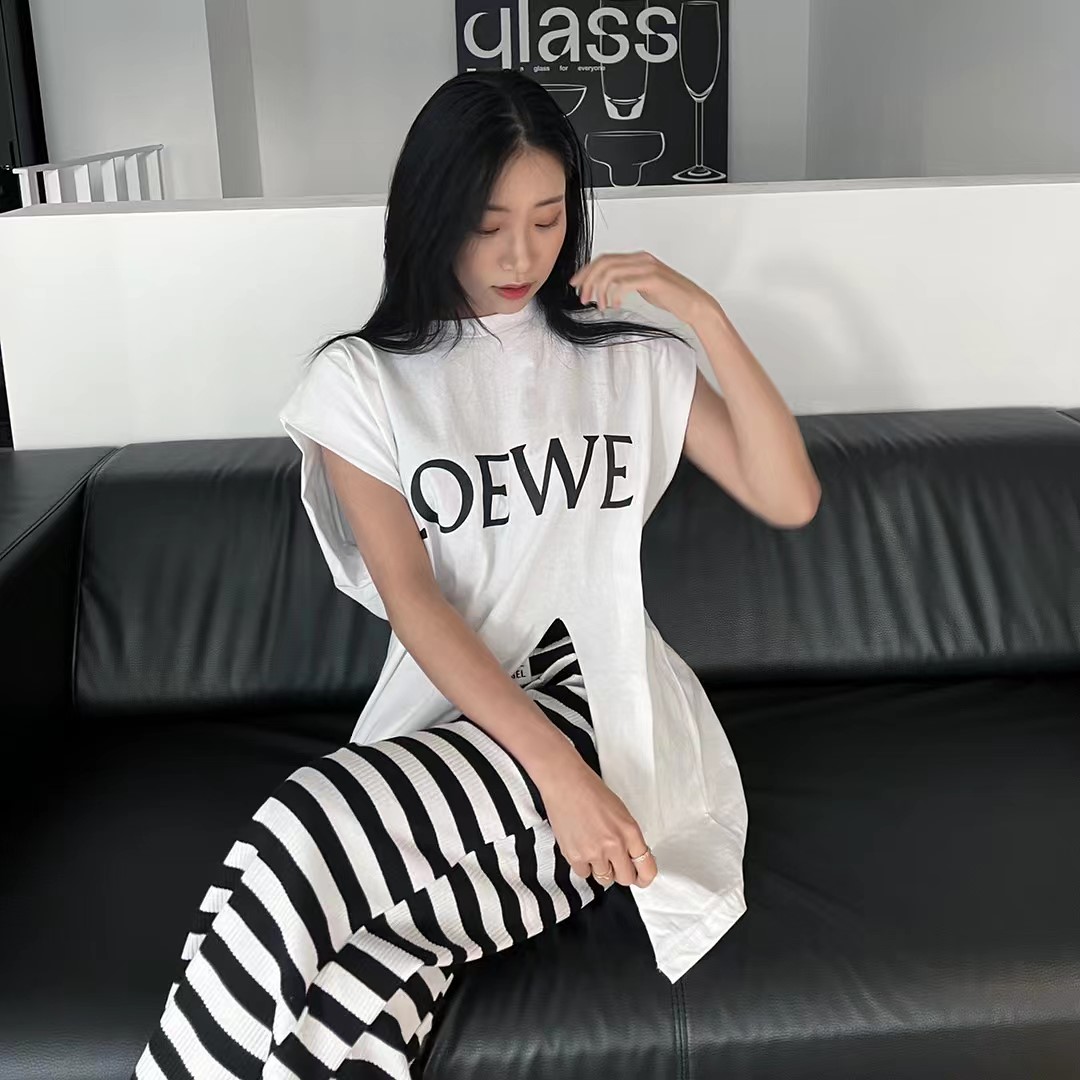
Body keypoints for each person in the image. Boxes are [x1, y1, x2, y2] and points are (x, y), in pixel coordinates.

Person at [132, 68, 820, 1079]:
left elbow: (788, 496)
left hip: (609, 712)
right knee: (363, 970)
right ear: (431, 216)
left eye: (548, 220)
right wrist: (553, 777)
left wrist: (704, 316)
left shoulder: (630, 360)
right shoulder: (359, 383)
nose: (520, 255)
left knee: (304, 824)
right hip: (464, 716)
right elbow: (412, 600)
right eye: (487, 223)